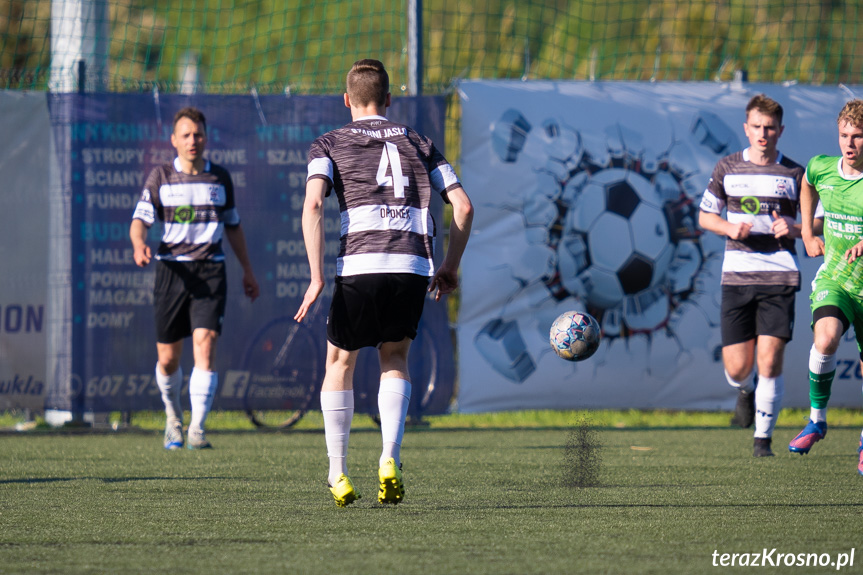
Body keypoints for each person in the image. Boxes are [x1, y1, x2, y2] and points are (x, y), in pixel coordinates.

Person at [295, 59, 473, 506]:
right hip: (411, 265)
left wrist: (316, 276)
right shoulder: (417, 140)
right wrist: (449, 266)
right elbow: (464, 207)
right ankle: (389, 459)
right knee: (394, 357)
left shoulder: (329, 143)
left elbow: (314, 205)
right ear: (389, 100)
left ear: (346, 99)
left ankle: (337, 472)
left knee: (340, 363)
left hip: (360, 264)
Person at [130, 107, 260, 450]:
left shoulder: (220, 179)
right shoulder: (160, 177)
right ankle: (173, 417)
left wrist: (247, 270)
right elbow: (140, 221)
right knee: (168, 359)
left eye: (198, 134)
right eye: (185, 135)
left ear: (206, 138)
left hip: (210, 271)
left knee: (205, 343)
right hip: (171, 272)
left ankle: (198, 428)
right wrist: (139, 243)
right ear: (174, 140)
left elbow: (233, 227)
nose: (193, 140)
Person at [699, 94, 804, 457]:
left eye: (770, 127)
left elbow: (816, 224)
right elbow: (705, 217)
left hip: (779, 276)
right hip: (738, 277)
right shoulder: (727, 168)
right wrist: (730, 229)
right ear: (746, 128)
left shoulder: (795, 174)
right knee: (738, 366)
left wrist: (793, 228)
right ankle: (745, 390)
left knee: (770, 360)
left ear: (780, 130)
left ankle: (763, 441)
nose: (763, 133)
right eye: (757, 127)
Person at [790, 99, 863, 475]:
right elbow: (807, 182)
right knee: (826, 339)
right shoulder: (822, 167)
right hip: (837, 280)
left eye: (858, 136)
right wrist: (806, 230)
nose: (850, 144)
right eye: (844, 135)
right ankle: (817, 420)